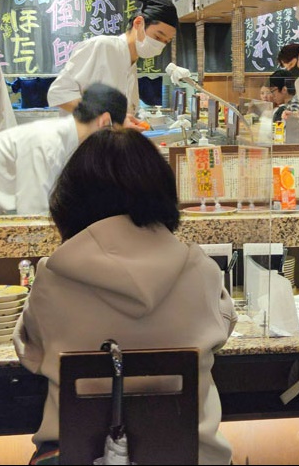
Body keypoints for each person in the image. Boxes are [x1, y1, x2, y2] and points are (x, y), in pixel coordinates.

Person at [14, 128, 236, 465]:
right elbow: (222, 330)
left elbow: (31, 353)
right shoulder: (202, 270)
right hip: (192, 458)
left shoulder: (51, 277)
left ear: (71, 201)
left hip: (80, 458)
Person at [0, 84, 128, 215]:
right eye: (114, 134)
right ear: (105, 121)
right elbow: (34, 212)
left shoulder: (69, 142)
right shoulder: (47, 141)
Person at [47, 0, 178, 127]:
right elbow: (59, 93)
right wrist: (108, 119)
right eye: (157, 36)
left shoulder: (131, 66)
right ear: (138, 23)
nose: (160, 45)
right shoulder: (102, 46)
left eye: (165, 42)